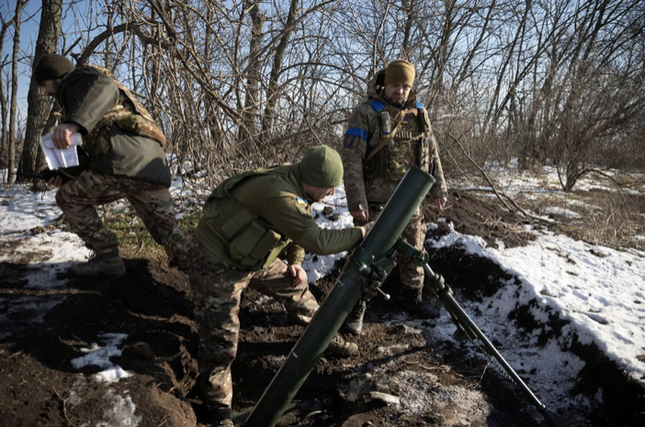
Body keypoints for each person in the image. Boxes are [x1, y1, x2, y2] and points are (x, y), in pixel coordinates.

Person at [187, 146, 372, 427]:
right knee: (221, 340)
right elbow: (318, 240)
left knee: (296, 288)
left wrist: (295, 261)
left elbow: (300, 223)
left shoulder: (298, 182)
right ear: (311, 179)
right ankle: (218, 409)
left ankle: (324, 335)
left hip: (255, 253)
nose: (332, 193)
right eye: (328, 187)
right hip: (217, 260)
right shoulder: (280, 193)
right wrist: (360, 233)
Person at [34, 53, 189, 276]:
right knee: (170, 234)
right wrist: (63, 176)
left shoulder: (77, 79)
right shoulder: (82, 99)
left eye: (44, 85)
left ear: (55, 76)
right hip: (151, 167)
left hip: (122, 165)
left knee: (67, 198)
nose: (46, 92)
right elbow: (93, 157)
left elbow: (104, 86)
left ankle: (108, 260)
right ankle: (217, 274)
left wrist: (72, 124)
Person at [341, 59, 449, 334]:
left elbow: (431, 151)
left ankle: (412, 299)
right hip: (376, 204)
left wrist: (439, 188)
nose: (399, 91)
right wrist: (357, 202)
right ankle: (355, 309)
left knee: (415, 253)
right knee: (369, 258)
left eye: (405, 86)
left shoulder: (419, 113)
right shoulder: (366, 113)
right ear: (385, 84)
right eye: (395, 85)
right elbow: (352, 160)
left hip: (412, 200)